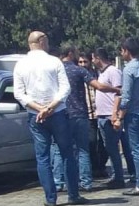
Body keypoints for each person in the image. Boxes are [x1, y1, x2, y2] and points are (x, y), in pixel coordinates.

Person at [13, 30, 87, 206]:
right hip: (58, 113)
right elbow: (65, 89)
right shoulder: (54, 62)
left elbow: (18, 93)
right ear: (42, 41)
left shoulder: (20, 65)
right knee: (67, 152)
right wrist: (50, 107)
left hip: (35, 115)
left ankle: (50, 198)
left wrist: (40, 108)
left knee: (43, 156)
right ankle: (73, 194)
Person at [51, 45, 120, 192]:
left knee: (58, 149)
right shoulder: (78, 70)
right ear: (70, 53)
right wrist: (116, 89)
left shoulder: (55, 71)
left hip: (61, 114)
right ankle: (86, 182)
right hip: (80, 114)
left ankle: (58, 182)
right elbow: (98, 86)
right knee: (83, 150)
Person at [113, 38, 139, 196]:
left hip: (133, 114)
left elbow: (126, 96)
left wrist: (119, 117)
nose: (121, 54)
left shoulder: (129, 70)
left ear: (127, 51)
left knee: (136, 149)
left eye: (122, 51)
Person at [92, 48, 127, 189]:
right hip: (102, 115)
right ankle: (115, 176)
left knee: (113, 148)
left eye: (93, 58)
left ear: (98, 58)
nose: (92, 62)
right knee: (109, 148)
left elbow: (119, 93)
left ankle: (118, 178)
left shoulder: (113, 72)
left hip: (110, 115)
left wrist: (115, 114)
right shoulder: (102, 73)